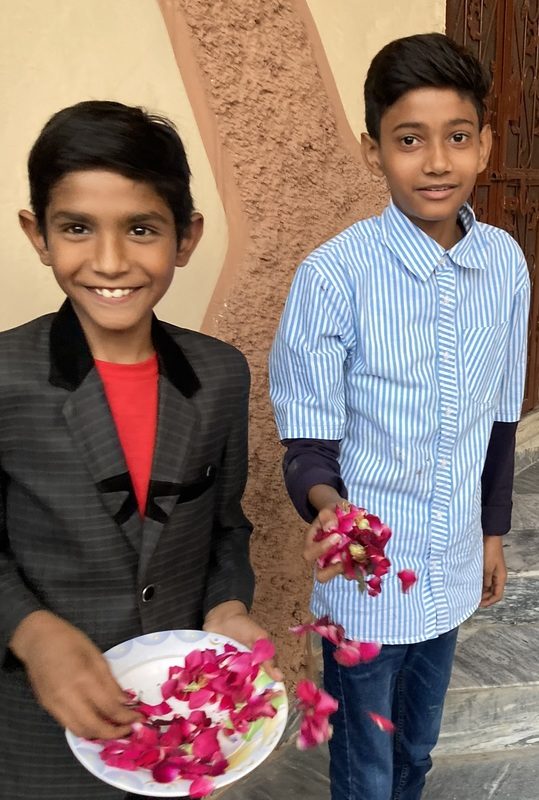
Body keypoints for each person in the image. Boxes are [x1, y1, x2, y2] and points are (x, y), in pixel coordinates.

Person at [270, 33, 530, 800]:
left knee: (417, 745)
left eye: (456, 138)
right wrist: (330, 507)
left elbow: (499, 421)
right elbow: (307, 444)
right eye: (409, 140)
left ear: (483, 144)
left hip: (448, 562)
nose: (437, 162)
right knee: (365, 765)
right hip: (364, 580)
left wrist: (488, 534)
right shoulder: (331, 277)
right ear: (371, 149)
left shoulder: (504, 266)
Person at [0, 100, 277, 800]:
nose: (110, 261)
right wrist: (30, 633)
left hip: (180, 724)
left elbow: (225, 527)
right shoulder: (5, 377)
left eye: (142, 229)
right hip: (35, 736)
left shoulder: (218, 374)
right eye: (76, 228)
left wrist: (227, 608)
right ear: (38, 233)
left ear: (185, 237)